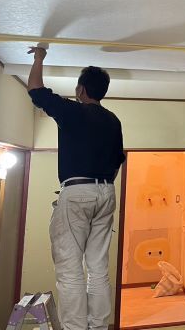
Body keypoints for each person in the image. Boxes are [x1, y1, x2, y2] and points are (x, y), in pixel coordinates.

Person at [27, 46, 125, 330]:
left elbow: (35, 90)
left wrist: (39, 57)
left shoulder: (72, 110)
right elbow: (118, 160)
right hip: (106, 191)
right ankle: (98, 326)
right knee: (98, 268)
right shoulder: (113, 120)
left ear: (80, 90)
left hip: (78, 190)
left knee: (70, 269)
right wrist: (101, 187)